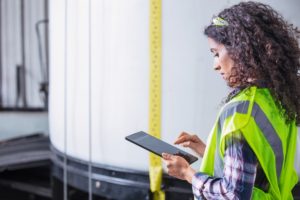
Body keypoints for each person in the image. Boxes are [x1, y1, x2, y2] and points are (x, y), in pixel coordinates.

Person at [162, 1, 300, 199]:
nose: (215, 66)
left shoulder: (241, 114)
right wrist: (207, 150)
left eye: (217, 54)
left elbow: (233, 194)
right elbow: (258, 171)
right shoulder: (275, 99)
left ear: (242, 50)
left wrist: (187, 173)